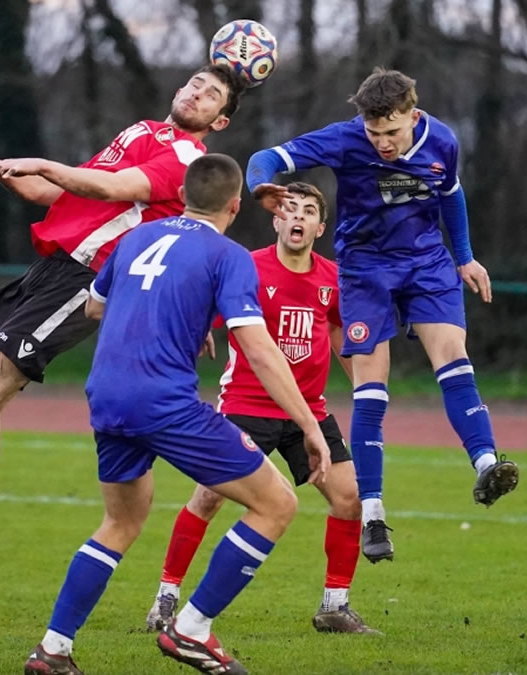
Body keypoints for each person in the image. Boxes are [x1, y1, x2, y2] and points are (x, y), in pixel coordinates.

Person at [0, 64, 248, 586]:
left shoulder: (187, 157)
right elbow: (59, 193)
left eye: (211, 95)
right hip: (50, 268)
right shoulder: (142, 131)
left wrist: (39, 161)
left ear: (221, 120)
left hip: (85, 280)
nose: (197, 94)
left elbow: (110, 186)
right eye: (195, 83)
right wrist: (10, 171)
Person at [23, 154, 330, 675]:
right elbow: (257, 348)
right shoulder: (229, 255)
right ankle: (191, 631)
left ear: (184, 193)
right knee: (277, 504)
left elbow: (95, 308)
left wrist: (170, 312)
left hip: (107, 395)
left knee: (120, 522)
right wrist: (308, 424)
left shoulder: (136, 237)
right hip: (163, 401)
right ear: (235, 204)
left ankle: (53, 648)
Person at [245, 68, 520, 563]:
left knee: (453, 357)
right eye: (374, 134)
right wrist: (263, 184)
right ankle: (373, 515)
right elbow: (266, 157)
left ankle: (485, 463)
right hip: (365, 268)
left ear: (414, 116)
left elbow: (451, 194)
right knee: (371, 385)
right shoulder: (346, 139)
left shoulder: (444, 141)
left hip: (426, 261)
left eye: (392, 132)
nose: (383, 143)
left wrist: (464, 257)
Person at [143, 182, 379, 637]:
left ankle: (335, 606)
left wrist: (367, 389)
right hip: (246, 405)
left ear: (319, 226)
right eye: (290, 209)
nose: (298, 217)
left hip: (308, 412)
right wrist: (196, 331)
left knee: (350, 499)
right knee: (208, 496)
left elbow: (337, 334)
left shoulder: (332, 277)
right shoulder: (246, 267)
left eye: (309, 211)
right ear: (276, 219)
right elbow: (204, 309)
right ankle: (166, 597)